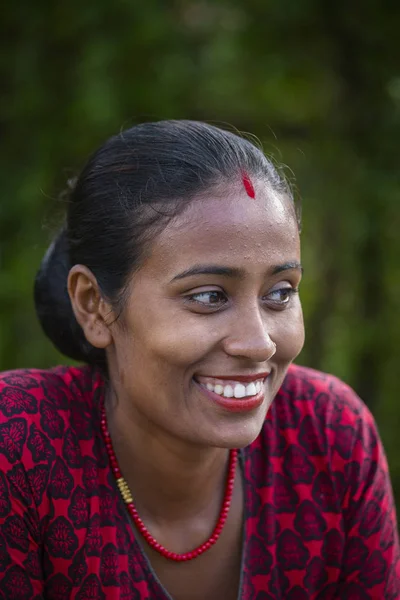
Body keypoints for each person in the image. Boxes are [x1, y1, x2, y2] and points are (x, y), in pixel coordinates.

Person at [0, 120, 398, 600]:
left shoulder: (327, 435)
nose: (259, 344)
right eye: (208, 296)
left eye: (279, 293)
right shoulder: (18, 443)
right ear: (93, 304)